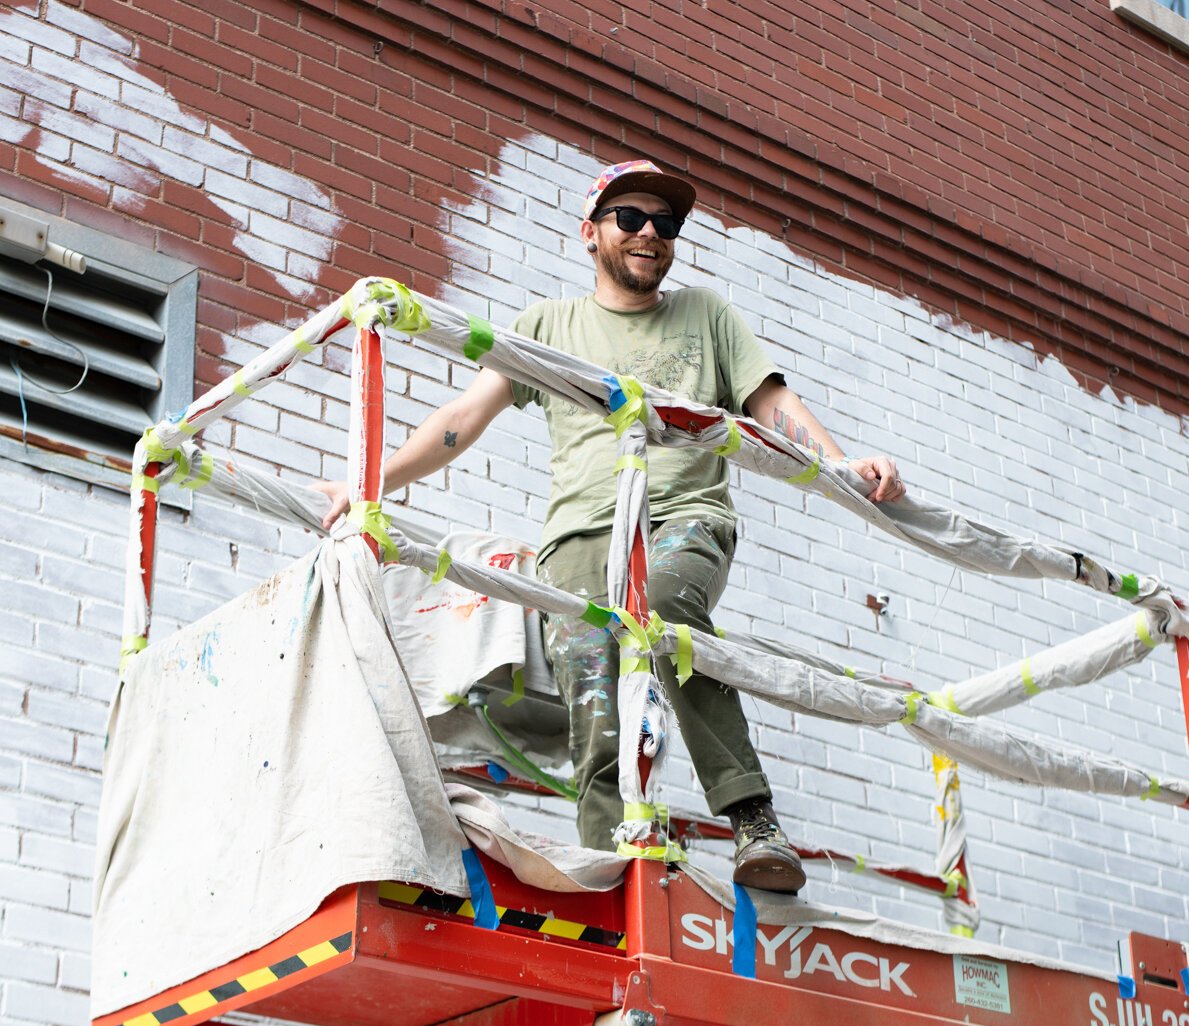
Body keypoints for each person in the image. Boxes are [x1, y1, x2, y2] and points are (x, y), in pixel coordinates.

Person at [317, 160, 903, 892]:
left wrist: (846, 469)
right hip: (578, 543)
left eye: (667, 224)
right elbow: (462, 420)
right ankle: (620, 863)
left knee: (664, 610)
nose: (651, 233)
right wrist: (368, 482)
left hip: (682, 518)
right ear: (590, 233)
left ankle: (753, 818)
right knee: (593, 696)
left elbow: (772, 403)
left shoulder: (707, 317)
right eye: (631, 218)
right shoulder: (549, 326)